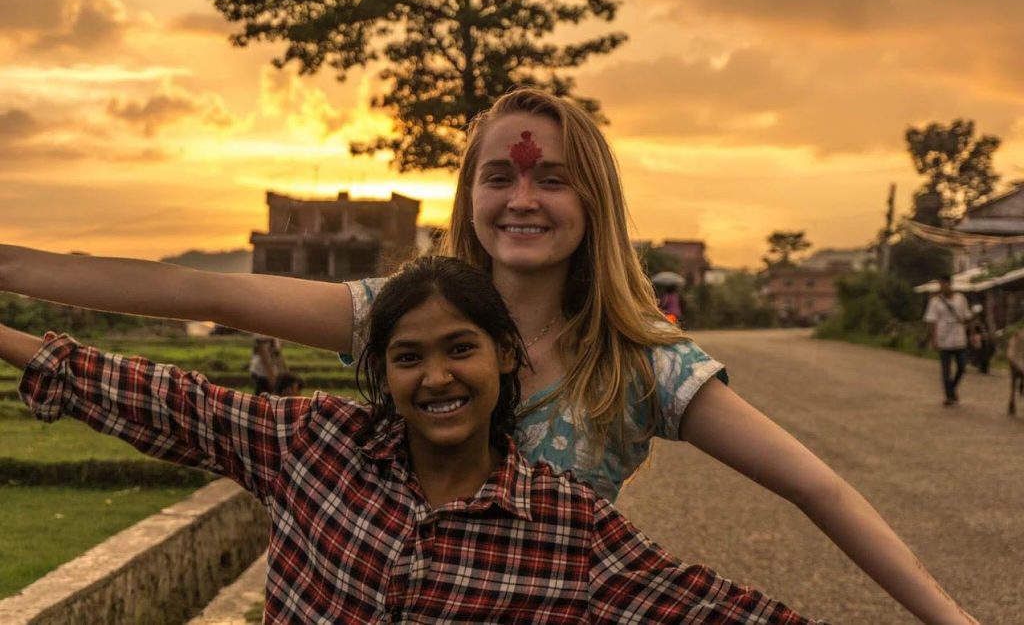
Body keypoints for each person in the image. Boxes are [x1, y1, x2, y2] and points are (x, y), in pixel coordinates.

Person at [0, 88, 977, 622]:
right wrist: (11, 267)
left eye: (551, 179)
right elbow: (198, 294)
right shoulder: (397, 313)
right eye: (498, 178)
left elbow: (818, 491)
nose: (522, 198)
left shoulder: (642, 367)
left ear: (593, 201)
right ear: (466, 194)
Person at [0, 256, 822, 623]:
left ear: (505, 357)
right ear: (380, 371)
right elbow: (150, 395)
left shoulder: (567, 530)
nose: (436, 379)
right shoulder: (315, 447)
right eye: (408, 357)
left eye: (459, 349)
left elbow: (718, 611)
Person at [923, 275, 973, 405]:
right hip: (943, 339)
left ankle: (952, 389)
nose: (941, 287)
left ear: (949, 284)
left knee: (962, 367)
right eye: (940, 284)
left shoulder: (961, 299)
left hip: (959, 338)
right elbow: (932, 321)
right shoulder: (935, 301)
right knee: (946, 371)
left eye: (943, 284)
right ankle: (949, 396)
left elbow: (967, 316)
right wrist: (933, 339)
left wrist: (971, 331)